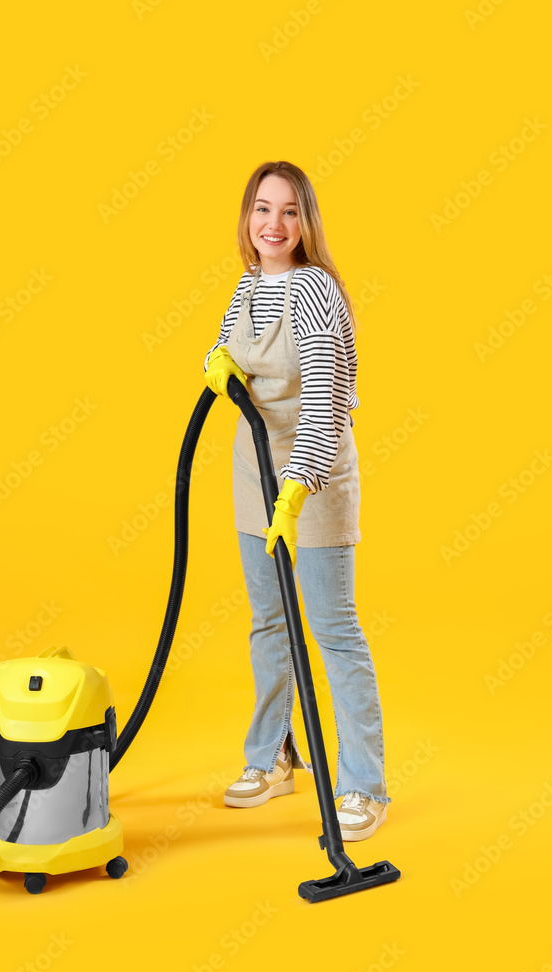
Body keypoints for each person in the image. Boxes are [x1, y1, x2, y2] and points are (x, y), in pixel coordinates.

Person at [203, 161, 390, 841]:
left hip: (313, 478)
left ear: (305, 222)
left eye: (287, 211)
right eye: (261, 209)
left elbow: (325, 399)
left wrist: (296, 490)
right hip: (254, 474)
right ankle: (273, 756)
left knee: (332, 630)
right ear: (247, 219)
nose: (273, 224)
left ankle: (365, 785)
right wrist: (216, 361)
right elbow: (226, 346)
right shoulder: (248, 286)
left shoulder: (314, 291)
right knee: (267, 623)